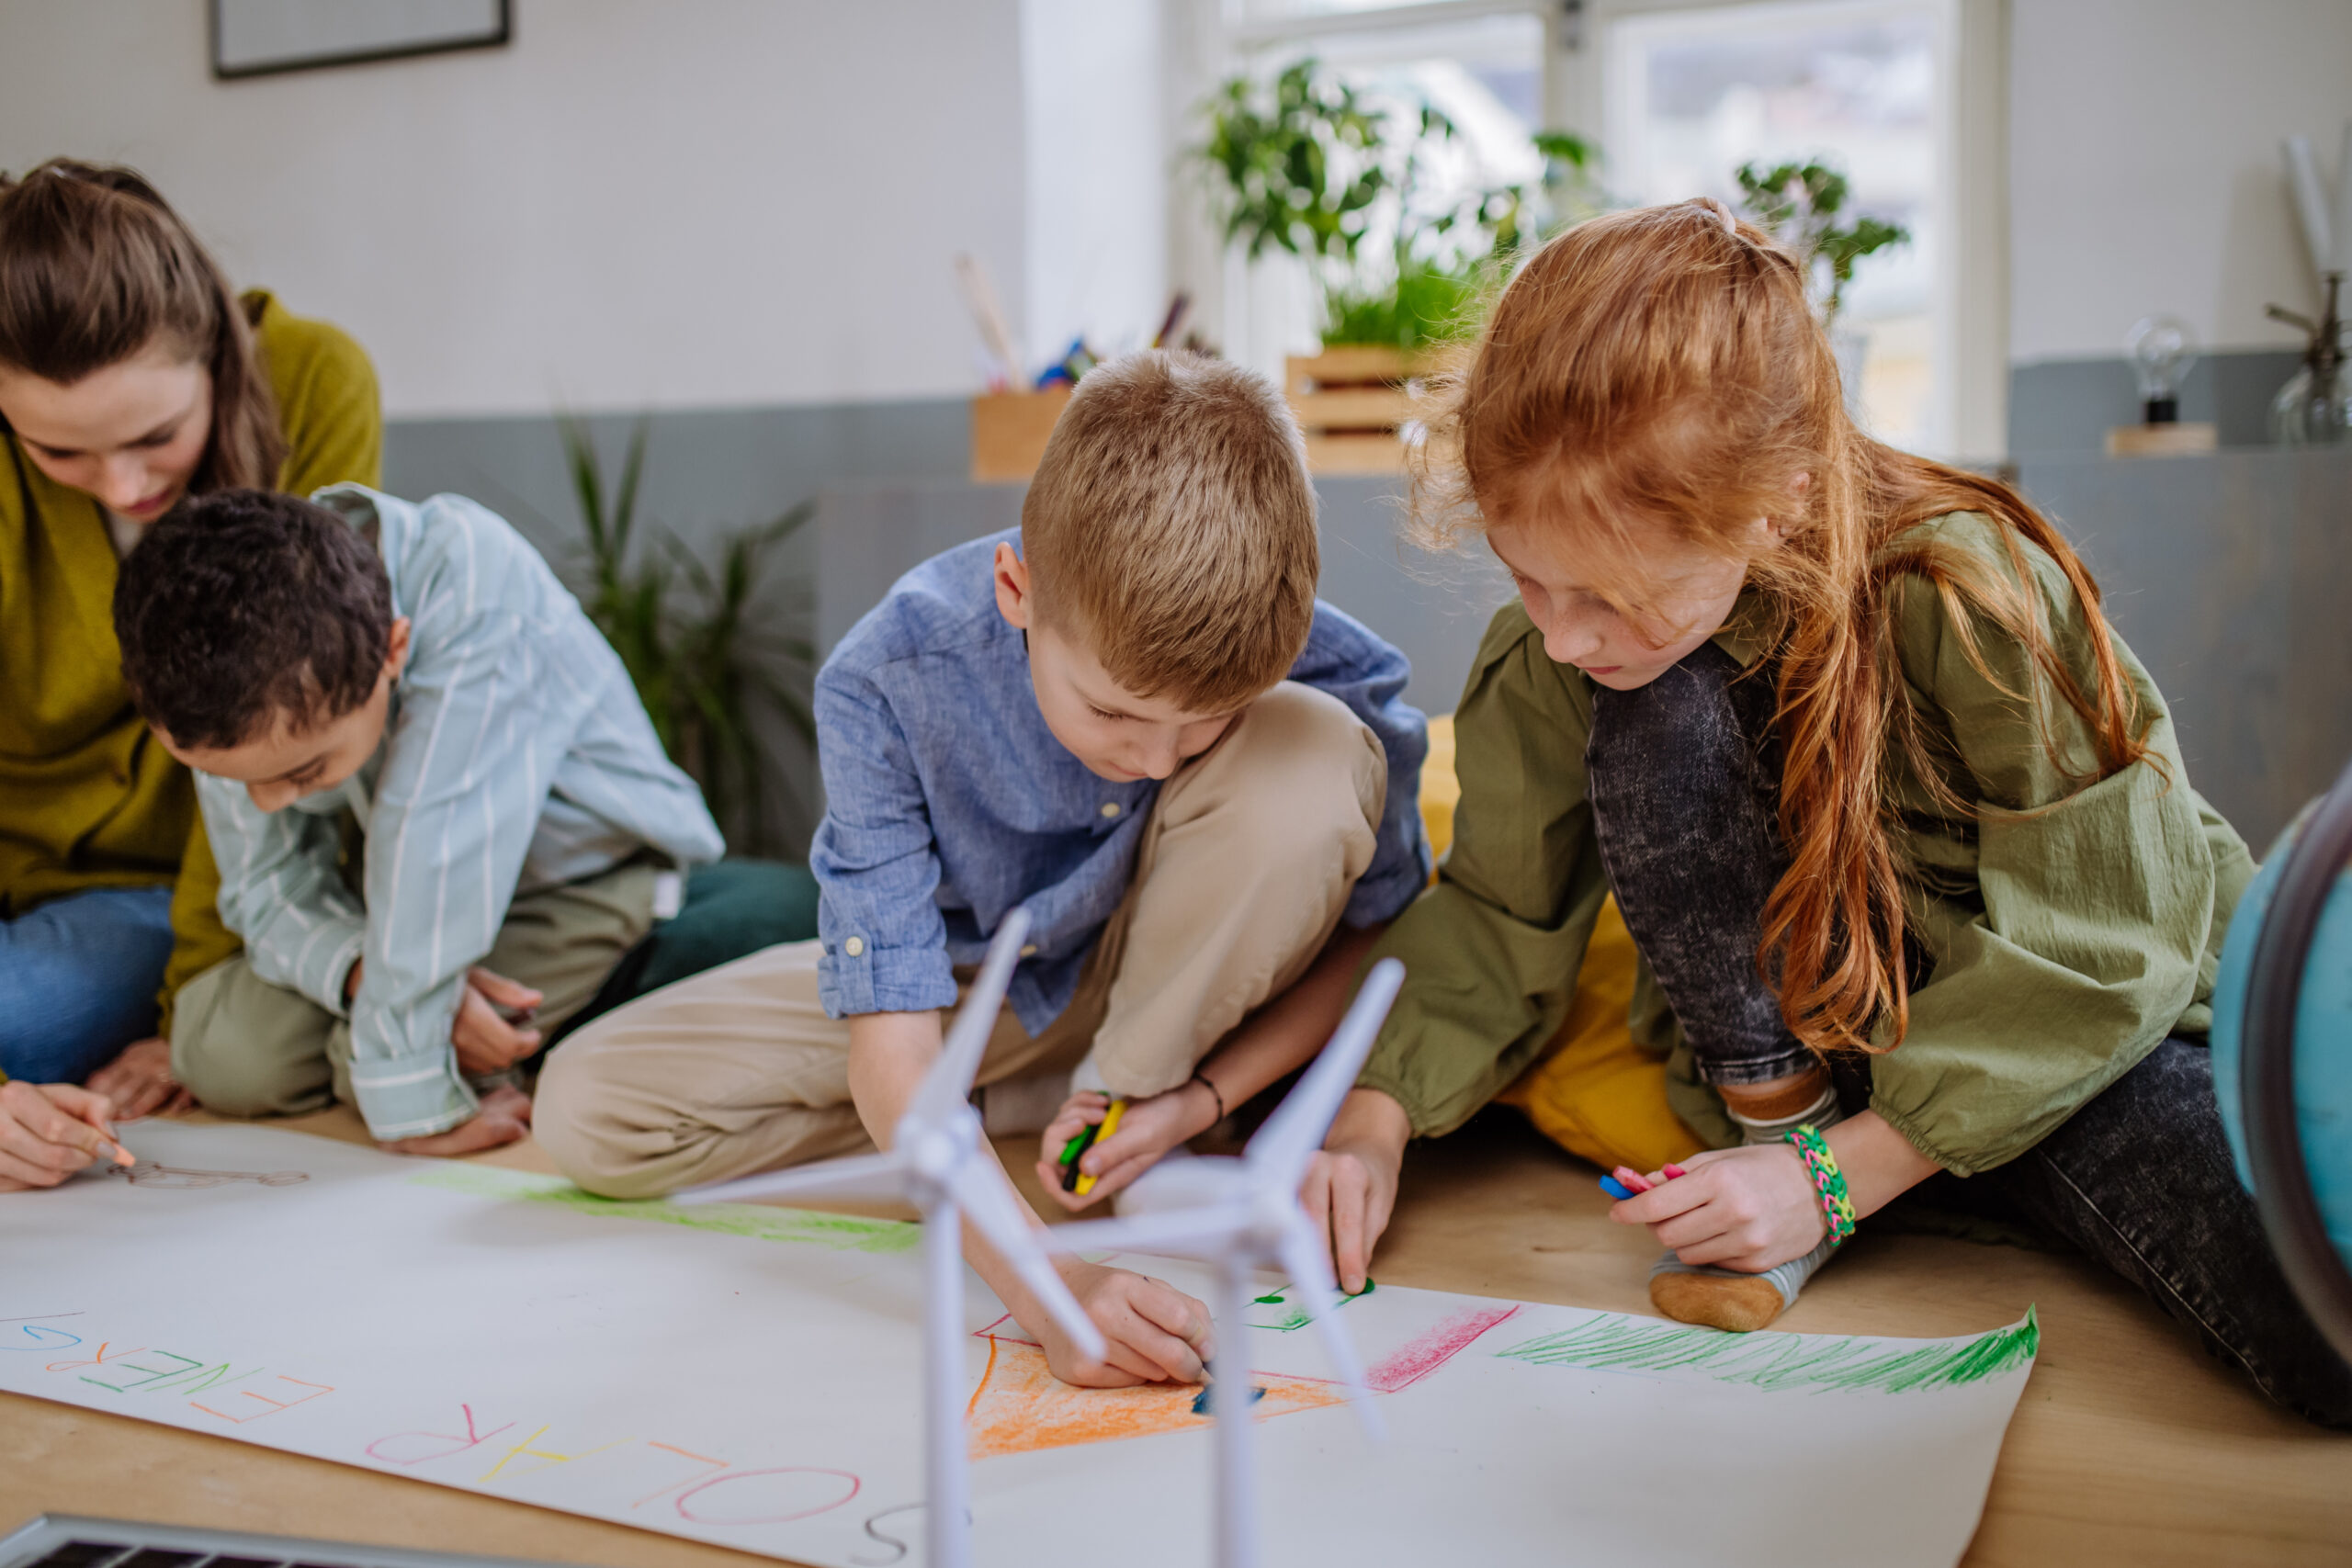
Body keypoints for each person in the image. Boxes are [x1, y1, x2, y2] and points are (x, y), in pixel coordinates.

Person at [1301, 199, 2352, 1426]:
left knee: (2318, 1317)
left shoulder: (1968, 594)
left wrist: (1840, 1179)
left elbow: (2105, 944)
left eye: (1611, 592)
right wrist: (1372, 1120)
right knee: (1648, 711)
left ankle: (1888, 1179)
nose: (1560, 630)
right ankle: (1806, 1149)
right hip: (1795, 1073)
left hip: (2053, 1036)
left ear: (1779, 500)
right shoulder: (1566, 658)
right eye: (1527, 573)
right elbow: (1494, 907)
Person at [534, 351, 1430, 1388]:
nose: (1152, 758)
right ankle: (996, 1121)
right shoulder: (886, 679)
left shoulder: (1314, 655)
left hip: (1185, 1005)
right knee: (591, 1110)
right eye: (1112, 712)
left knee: (1312, 755)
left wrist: (1195, 1097)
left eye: (1203, 727)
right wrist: (1045, 1284)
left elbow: (1382, 937)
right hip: (971, 996)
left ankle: (1098, 1101)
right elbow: (896, 1044)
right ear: (1018, 588)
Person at [111, 485, 728, 1156]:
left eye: (304, 773)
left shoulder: (478, 591)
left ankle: (413, 1032)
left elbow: (430, 849)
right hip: (393, 901)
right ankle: (394, 1015)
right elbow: (265, 887)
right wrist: (362, 972)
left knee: (378, 1070)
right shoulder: (232, 666)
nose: (266, 804)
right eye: (236, 782)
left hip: (578, 878)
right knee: (226, 1054)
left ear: (393, 650)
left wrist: (418, 1105)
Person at [0, 158, 379, 1186]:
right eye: (60, 454)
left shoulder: (315, 379)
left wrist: (191, 1007)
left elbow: (285, 721)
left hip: (197, 882)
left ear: (214, 353)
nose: (123, 488)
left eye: (157, 437)